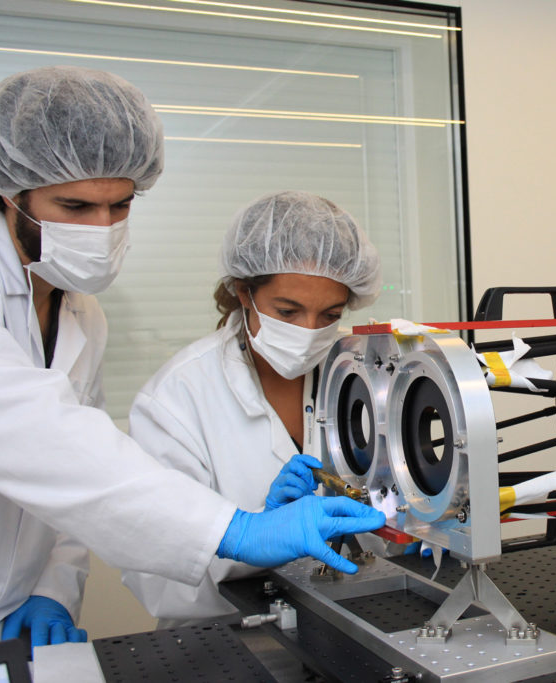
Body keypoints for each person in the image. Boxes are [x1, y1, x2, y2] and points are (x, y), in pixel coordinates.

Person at [0, 67, 384, 651]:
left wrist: (53, 585)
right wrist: (236, 529)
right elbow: (26, 431)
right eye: (75, 205)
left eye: (120, 206)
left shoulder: (81, 313)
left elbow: (76, 470)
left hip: (5, 617)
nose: (102, 229)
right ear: (11, 191)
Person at [121, 190, 382, 625]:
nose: (309, 331)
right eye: (288, 310)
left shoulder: (361, 373)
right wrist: (252, 533)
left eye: (329, 314)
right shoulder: (177, 396)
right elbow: (158, 579)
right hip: (229, 640)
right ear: (244, 291)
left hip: (358, 619)